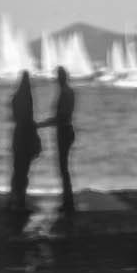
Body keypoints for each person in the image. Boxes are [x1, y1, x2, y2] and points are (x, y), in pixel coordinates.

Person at [38, 66, 77, 215]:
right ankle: (67, 200)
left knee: (63, 168)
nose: (57, 79)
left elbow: (60, 117)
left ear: (61, 77)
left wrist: (40, 124)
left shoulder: (65, 93)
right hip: (66, 131)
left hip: (64, 132)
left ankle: (68, 202)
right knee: (64, 167)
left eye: (58, 76)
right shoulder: (69, 92)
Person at [8, 71, 42, 212]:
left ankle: (14, 199)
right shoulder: (28, 98)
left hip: (18, 136)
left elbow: (14, 117)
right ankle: (20, 199)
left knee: (17, 170)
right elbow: (27, 119)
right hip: (26, 136)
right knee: (24, 171)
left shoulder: (16, 98)